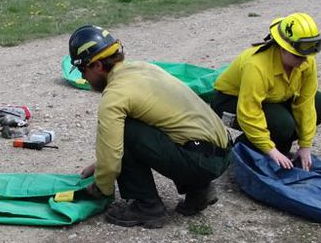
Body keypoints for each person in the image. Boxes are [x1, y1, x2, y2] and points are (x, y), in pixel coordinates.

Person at [69, 25, 232, 228]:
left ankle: (147, 208)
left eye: (82, 69)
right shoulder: (143, 68)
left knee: (127, 129)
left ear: (98, 65)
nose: (83, 77)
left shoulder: (115, 95)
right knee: (169, 125)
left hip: (199, 161)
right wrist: (100, 165)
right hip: (221, 154)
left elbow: (113, 156)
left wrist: (101, 187)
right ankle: (199, 191)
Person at [211, 12, 321, 172]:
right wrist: (270, 149)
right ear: (283, 48)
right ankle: (235, 151)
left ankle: (277, 143)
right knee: (282, 124)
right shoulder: (257, 66)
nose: (304, 59)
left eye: (309, 52)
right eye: (298, 55)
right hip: (230, 101)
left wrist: (305, 145)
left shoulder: (306, 61)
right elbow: (249, 112)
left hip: (270, 100)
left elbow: (306, 103)